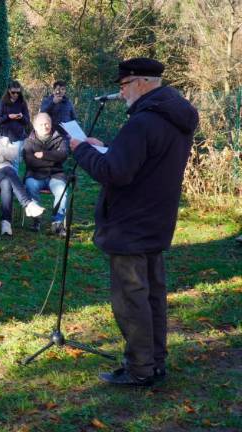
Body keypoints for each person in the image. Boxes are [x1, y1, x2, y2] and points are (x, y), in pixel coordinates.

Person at [70, 58, 198, 387]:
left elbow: (115, 172)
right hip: (157, 218)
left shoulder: (142, 122)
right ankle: (155, 361)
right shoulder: (175, 117)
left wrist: (82, 150)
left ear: (140, 82)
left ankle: (139, 368)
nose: (121, 91)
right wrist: (108, 150)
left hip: (130, 223)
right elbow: (144, 162)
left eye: (124, 85)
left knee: (131, 298)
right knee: (153, 294)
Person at [23, 113, 69, 235]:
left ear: (51, 123)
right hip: (35, 175)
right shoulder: (28, 141)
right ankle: (36, 219)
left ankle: (57, 222)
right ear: (35, 126)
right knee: (30, 185)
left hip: (56, 175)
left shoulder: (59, 138)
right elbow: (31, 162)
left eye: (47, 123)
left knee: (62, 190)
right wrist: (53, 160)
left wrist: (44, 155)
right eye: (41, 124)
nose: (45, 126)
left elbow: (63, 155)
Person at [0, 80, 31, 166]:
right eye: (13, 92)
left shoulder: (22, 103)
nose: (15, 95)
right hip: (5, 138)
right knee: (4, 162)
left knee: (15, 163)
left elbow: (27, 121)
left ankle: (15, 179)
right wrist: (8, 116)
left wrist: (21, 117)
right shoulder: (3, 103)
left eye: (18, 92)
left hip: (18, 138)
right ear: (9, 91)